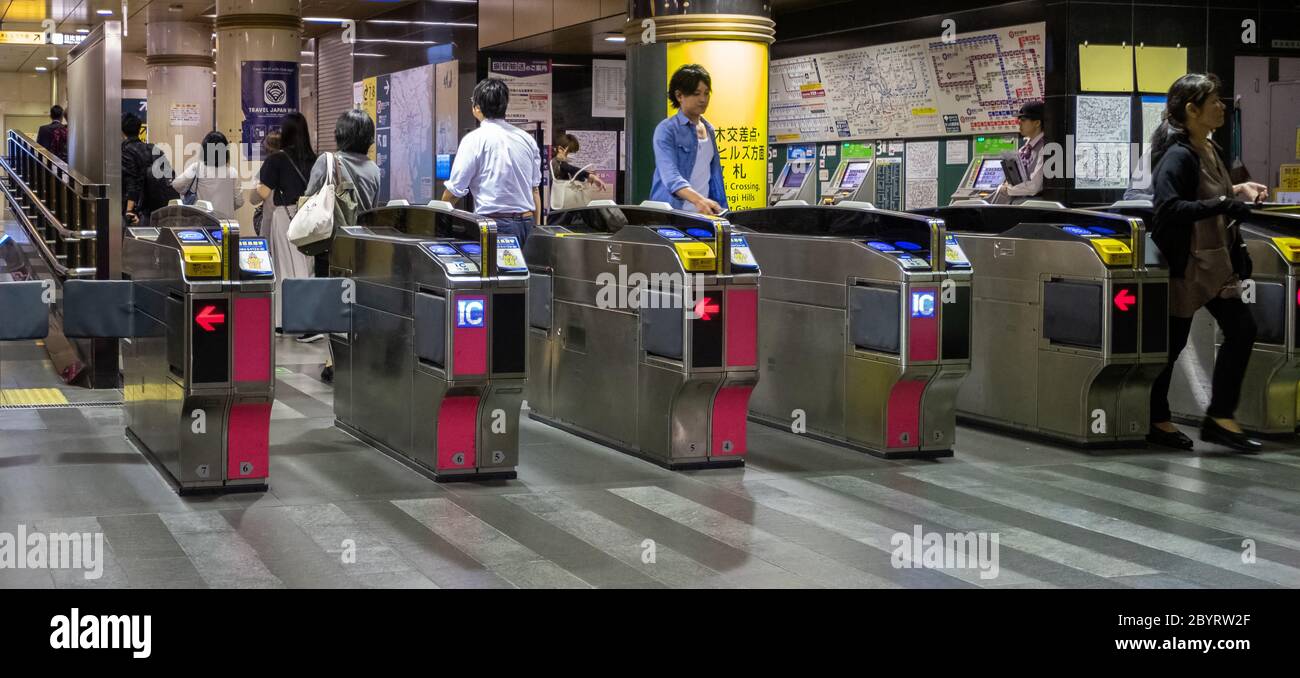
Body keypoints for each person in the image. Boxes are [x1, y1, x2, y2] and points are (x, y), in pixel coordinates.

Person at [1146, 73, 1270, 453]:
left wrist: (1236, 190)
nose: (1221, 107)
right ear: (1192, 110)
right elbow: (1167, 208)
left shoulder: (1209, 149)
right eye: (1214, 101)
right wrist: (1222, 204)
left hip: (1216, 264)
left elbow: (1207, 193)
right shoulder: (1179, 155)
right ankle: (1157, 418)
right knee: (1172, 344)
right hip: (1188, 265)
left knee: (1243, 329)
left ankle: (1219, 416)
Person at [301, 109, 380, 382]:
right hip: (361, 243)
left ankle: (334, 360)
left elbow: (310, 197)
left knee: (333, 300)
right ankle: (357, 355)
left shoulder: (327, 161)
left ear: (340, 135)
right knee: (356, 301)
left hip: (330, 243)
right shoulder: (374, 169)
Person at [441, 78, 543, 244]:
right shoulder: (526, 139)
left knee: (497, 271)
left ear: (477, 107)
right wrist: (537, 228)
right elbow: (535, 190)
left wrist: (437, 218)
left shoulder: (474, 139)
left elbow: (454, 191)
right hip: (527, 222)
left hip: (496, 225)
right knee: (528, 270)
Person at [254, 112, 316, 336]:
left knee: (284, 267)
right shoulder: (315, 159)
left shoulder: (276, 159)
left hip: (285, 216)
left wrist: (252, 190)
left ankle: (282, 320)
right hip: (310, 216)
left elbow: (262, 193)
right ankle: (308, 318)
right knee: (306, 266)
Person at [648, 64, 728, 215]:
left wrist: (720, 208)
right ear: (679, 96)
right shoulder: (666, 129)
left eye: (706, 93)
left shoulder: (709, 129)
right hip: (671, 214)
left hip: (703, 214)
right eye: (696, 93)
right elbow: (670, 176)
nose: (703, 99)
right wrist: (698, 200)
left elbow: (714, 177)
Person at [171, 131, 244, 219]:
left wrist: (189, 190)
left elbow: (176, 185)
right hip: (226, 224)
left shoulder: (197, 168)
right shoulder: (232, 172)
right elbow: (239, 201)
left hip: (202, 222)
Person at [121, 113, 177, 227]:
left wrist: (129, 211)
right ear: (139, 129)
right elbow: (170, 175)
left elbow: (132, 182)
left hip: (138, 212)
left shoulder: (125, 151)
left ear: (122, 131)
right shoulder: (154, 149)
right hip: (159, 209)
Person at [993, 100, 1046, 204]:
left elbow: (1035, 186)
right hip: (1019, 200)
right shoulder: (1024, 149)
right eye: (1019, 119)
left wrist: (1008, 190)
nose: (1019, 123)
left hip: (1034, 204)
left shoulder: (1045, 148)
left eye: (1023, 119)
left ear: (1037, 123)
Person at [249, 130, 281, 235]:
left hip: (271, 221)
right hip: (292, 223)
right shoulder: (296, 166)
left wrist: (258, 186)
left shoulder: (267, 167)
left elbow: (253, 199)